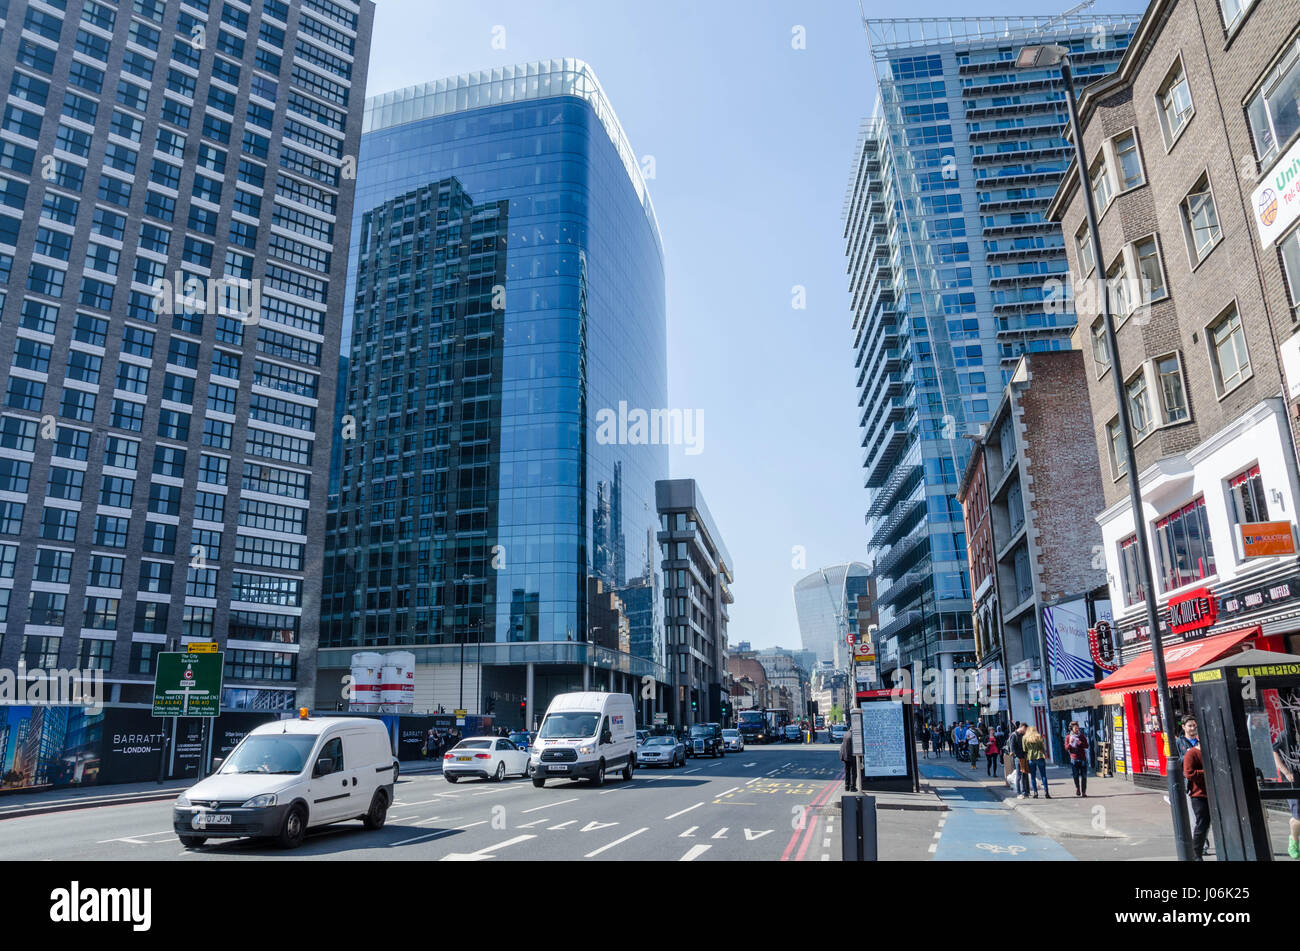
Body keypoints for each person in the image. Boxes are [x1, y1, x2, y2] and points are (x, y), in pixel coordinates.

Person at [1272, 731, 1300, 860]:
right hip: (1293, 781)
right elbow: (1274, 751)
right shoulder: (1286, 734)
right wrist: (1286, 772)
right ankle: (1293, 841)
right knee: (1298, 817)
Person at [1183, 741, 1209, 860]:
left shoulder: (1210, 752)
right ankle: (1196, 854)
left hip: (1214, 794)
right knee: (1202, 824)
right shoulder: (1192, 753)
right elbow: (1189, 773)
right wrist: (1207, 772)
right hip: (1199, 795)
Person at [1065, 721, 1090, 797]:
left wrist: (1081, 743)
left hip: (1082, 758)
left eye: (1077, 728)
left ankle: (1084, 792)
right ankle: (1077, 788)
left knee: (1084, 776)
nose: (1077, 729)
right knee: (1075, 775)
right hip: (1074, 758)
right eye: (1075, 728)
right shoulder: (1068, 737)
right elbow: (1066, 748)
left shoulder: (1081, 736)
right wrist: (1070, 743)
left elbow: (1087, 746)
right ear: (1071, 729)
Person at [1024, 725, 1049, 798]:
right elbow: (1042, 747)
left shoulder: (1025, 738)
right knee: (1043, 775)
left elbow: (1024, 749)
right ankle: (1046, 792)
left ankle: (1035, 793)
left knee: (1033, 776)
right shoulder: (1039, 737)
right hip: (1040, 756)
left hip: (1031, 757)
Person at [1009, 722, 1030, 798]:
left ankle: (1026, 792)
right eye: (1025, 729)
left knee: (1025, 774)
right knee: (1019, 776)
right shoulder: (1014, 735)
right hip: (1018, 758)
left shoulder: (1022, 735)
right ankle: (1019, 793)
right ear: (1022, 727)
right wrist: (1018, 755)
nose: (1025, 731)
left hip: (1024, 757)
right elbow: (1012, 748)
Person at [840, 722, 857, 792]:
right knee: (854, 772)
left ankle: (846, 787)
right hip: (852, 756)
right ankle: (852, 787)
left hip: (845, 756)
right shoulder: (854, 736)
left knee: (847, 772)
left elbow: (842, 746)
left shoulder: (846, 734)